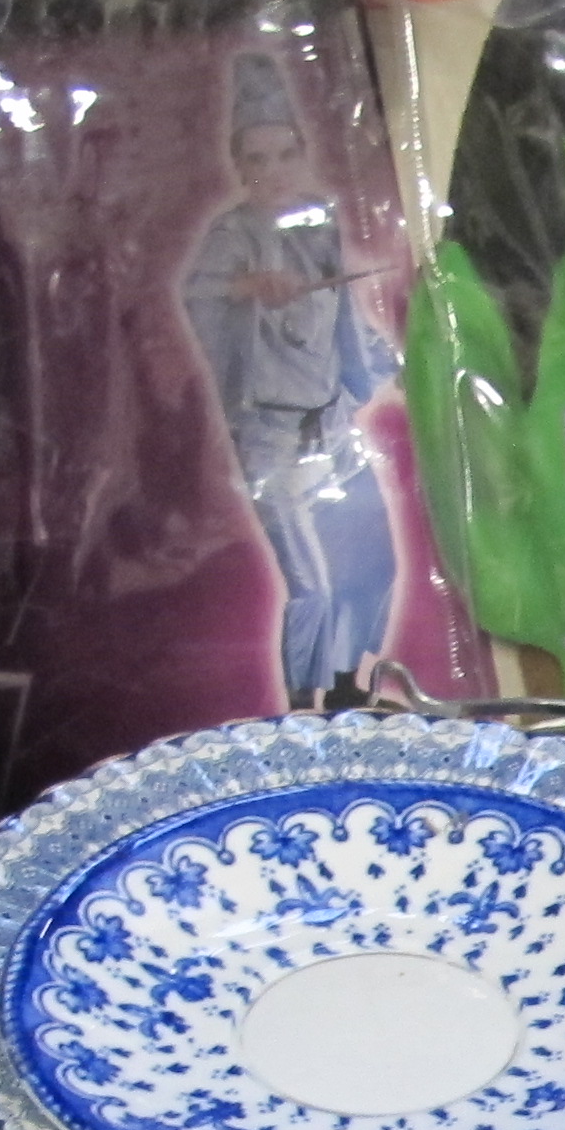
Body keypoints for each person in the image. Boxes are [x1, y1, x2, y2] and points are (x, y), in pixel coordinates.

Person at [180, 54, 402, 709]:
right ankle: (303, 714)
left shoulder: (319, 223)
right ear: (239, 166)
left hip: (331, 427)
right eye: (257, 159)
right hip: (271, 440)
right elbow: (198, 292)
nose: (273, 171)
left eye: (285, 155)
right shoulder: (231, 234)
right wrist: (247, 287)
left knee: (376, 566)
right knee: (314, 589)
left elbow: (346, 319)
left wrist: (397, 362)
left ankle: (349, 694)